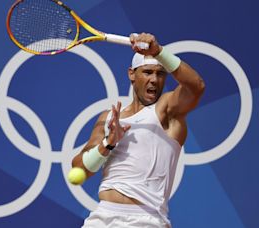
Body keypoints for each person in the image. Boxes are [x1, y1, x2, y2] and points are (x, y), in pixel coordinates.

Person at [72, 33, 205, 227]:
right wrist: (108, 143)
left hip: (146, 220)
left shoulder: (167, 109)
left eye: (160, 74)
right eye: (147, 72)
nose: (154, 80)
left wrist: (158, 51)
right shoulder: (108, 118)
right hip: (102, 217)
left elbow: (197, 87)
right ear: (131, 74)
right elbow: (79, 169)